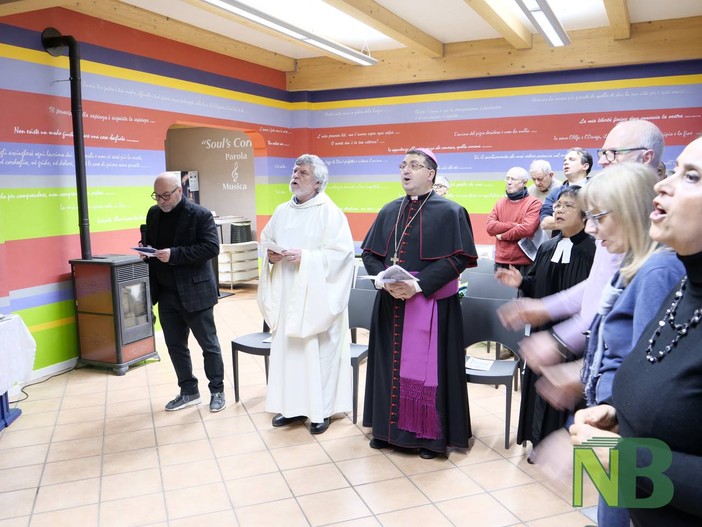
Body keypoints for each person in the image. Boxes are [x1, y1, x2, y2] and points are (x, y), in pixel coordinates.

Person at [570, 136, 702, 527]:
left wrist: (626, 455)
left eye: (692, 176)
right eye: (675, 169)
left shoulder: (660, 271)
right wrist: (619, 414)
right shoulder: (682, 287)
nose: (662, 184)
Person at [498, 120, 666, 364]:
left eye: (613, 153)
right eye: (602, 152)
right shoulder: (609, 226)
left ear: (646, 157)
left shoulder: (654, 240)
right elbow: (600, 285)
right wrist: (545, 308)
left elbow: (633, 342)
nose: (603, 160)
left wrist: (563, 343)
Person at [361, 148, 477, 459]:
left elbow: (460, 257)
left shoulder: (451, 211)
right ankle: (386, 431)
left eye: (414, 165)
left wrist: (419, 285)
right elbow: (370, 254)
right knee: (388, 365)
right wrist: (383, 279)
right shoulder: (388, 211)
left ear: (431, 174)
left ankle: (428, 437)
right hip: (390, 302)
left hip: (431, 304)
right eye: (402, 165)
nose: (405, 171)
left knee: (430, 370)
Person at [257, 154, 354, 435]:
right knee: (288, 353)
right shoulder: (281, 211)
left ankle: (320, 412)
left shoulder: (329, 212)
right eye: (294, 170)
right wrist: (272, 257)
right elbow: (266, 242)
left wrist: (307, 258)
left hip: (316, 299)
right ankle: (290, 408)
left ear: (318, 182)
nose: (295, 176)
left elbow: (342, 256)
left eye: (303, 172)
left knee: (317, 353)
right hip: (287, 293)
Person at [495, 186, 595, 452]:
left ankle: (565, 444)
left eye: (568, 206)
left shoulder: (595, 250)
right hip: (543, 330)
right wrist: (521, 281)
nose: (559, 210)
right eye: (558, 205)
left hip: (574, 334)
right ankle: (535, 439)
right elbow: (535, 283)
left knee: (565, 389)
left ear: (585, 215)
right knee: (540, 384)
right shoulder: (547, 246)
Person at [142, 172, 226, 412]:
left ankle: (217, 391)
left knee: (208, 345)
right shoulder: (153, 213)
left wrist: (174, 254)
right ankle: (188, 391)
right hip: (166, 292)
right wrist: (147, 252)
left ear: (180, 191)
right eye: (157, 196)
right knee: (176, 346)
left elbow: (211, 248)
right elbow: (152, 243)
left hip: (195, 291)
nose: (161, 201)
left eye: (166, 195)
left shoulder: (200, 214)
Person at [486, 166, 541, 274]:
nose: (509, 182)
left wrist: (502, 236)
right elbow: (490, 227)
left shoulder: (534, 203)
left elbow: (527, 229)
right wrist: (514, 226)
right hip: (500, 262)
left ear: (524, 182)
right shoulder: (500, 203)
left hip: (524, 263)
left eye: (513, 179)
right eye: (507, 178)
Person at [540, 148, 593, 233]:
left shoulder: (597, 189)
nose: (565, 162)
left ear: (585, 166)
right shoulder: (555, 192)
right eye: (564, 160)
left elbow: (599, 218)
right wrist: (583, 218)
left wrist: (560, 218)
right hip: (562, 241)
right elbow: (544, 223)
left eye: (571, 159)